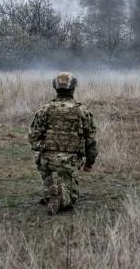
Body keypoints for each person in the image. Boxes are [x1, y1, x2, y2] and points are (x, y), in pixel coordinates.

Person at [28, 72, 98, 215]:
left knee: (48, 174)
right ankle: (62, 197)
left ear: (55, 88)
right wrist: (90, 162)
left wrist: (46, 148)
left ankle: (50, 193)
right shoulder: (82, 110)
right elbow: (90, 140)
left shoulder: (45, 109)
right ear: (73, 88)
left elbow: (33, 137)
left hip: (47, 161)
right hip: (70, 161)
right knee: (71, 200)